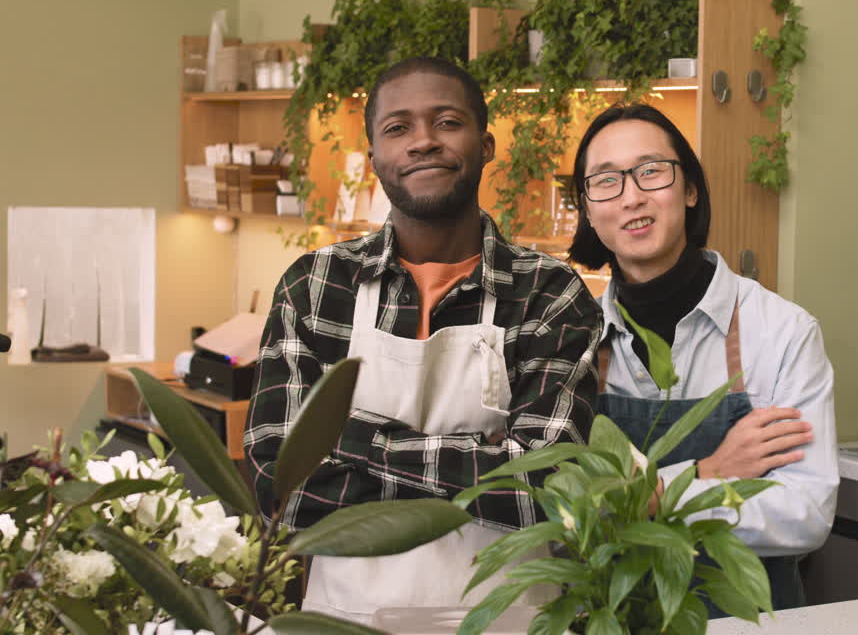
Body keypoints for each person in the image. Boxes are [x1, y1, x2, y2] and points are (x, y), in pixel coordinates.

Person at [244, 57, 602, 622]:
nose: (423, 143)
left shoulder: (548, 292)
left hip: (511, 620)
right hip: (345, 621)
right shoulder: (316, 286)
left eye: (446, 122)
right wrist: (485, 465)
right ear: (373, 159)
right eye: (398, 128)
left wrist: (347, 440)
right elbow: (278, 485)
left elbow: (546, 489)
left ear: (486, 146)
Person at [567, 103, 838, 613]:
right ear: (587, 208)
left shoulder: (783, 332)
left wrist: (652, 498)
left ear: (689, 189)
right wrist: (712, 472)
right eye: (606, 181)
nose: (631, 196)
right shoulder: (574, 339)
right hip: (616, 616)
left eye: (651, 171)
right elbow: (567, 510)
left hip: (747, 620)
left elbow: (806, 511)